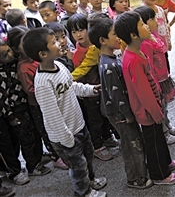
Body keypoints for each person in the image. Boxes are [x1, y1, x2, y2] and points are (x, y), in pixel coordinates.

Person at [22, 27, 107, 197]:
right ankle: (83, 192)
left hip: (78, 126)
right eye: (53, 42)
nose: (61, 43)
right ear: (43, 54)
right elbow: (52, 115)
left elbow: (71, 86)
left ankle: (90, 181)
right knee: (78, 166)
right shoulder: (43, 82)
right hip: (65, 136)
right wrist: (68, 139)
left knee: (87, 157)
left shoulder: (59, 66)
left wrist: (90, 90)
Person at [114, 11, 175, 185]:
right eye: (142, 25)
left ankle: (165, 163)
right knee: (154, 143)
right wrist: (156, 113)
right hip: (147, 111)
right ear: (133, 35)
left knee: (159, 138)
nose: (146, 26)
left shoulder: (137, 52)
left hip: (153, 106)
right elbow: (143, 92)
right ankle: (160, 175)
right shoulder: (133, 60)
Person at [88, 13, 153, 189]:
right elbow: (116, 95)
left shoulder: (110, 58)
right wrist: (127, 114)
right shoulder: (108, 65)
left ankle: (139, 173)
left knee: (133, 141)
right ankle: (135, 179)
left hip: (120, 111)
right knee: (132, 144)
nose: (118, 38)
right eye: (114, 35)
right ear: (102, 40)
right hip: (119, 113)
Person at [7, 26, 69, 171]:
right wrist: (47, 91)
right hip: (38, 105)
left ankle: (62, 150)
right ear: (16, 49)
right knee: (47, 130)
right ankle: (56, 156)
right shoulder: (24, 68)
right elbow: (30, 90)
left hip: (52, 98)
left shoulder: (39, 60)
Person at [67, 14, 117, 161]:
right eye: (74, 32)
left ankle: (107, 137)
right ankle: (97, 146)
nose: (78, 34)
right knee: (95, 120)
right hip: (90, 92)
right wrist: (67, 80)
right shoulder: (83, 52)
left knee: (104, 115)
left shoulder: (95, 45)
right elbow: (81, 69)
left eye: (82, 30)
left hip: (103, 88)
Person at [0, 36, 50, 178]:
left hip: (25, 104)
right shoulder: (2, 74)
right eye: (5, 55)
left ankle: (38, 157)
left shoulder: (15, 63)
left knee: (34, 132)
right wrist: (11, 117)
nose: (10, 55)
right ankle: (32, 166)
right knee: (25, 138)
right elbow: (3, 100)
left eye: (9, 51)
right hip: (16, 110)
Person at [134, 6, 175, 145]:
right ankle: (164, 133)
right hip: (157, 81)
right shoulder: (145, 44)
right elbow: (150, 67)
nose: (156, 21)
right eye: (152, 19)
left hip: (163, 77)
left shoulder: (152, 37)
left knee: (164, 106)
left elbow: (162, 48)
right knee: (160, 107)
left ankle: (168, 126)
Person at [140, 0, 171, 74]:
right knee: (157, 66)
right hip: (152, 46)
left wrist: (168, 41)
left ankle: (168, 77)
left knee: (166, 62)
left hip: (163, 43)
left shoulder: (160, 9)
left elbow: (165, 25)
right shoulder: (142, 12)